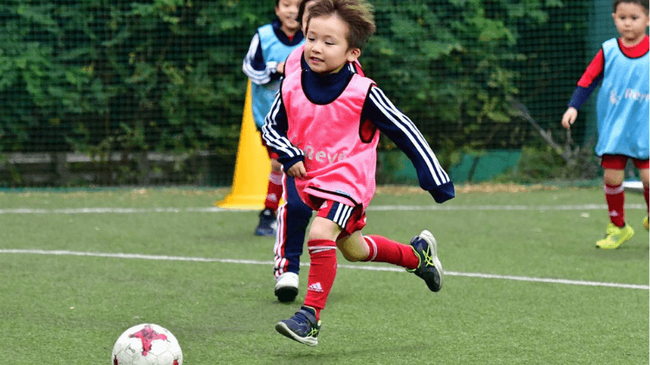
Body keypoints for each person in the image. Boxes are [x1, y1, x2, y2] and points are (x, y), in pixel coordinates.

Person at [262, 0, 455, 346]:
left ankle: (310, 318)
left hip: (349, 184)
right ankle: (417, 256)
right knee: (353, 249)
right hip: (314, 183)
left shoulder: (363, 93)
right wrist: (287, 151)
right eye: (311, 38)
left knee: (319, 234)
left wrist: (434, 176)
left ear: (352, 53)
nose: (316, 48)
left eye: (328, 42)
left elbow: (404, 130)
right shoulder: (291, 85)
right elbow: (271, 128)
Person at [272, 0, 365, 303]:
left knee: (352, 248)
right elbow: (281, 111)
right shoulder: (296, 61)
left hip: (338, 168)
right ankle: (288, 269)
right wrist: (288, 150)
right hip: (300, 157)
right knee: (296, 208)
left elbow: (359, 108)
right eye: (308, 14)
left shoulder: (352, 73)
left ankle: (415, 257)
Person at [561, 0, 649, 249]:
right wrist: (573, 107)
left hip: (646, 130)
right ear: (614, 19)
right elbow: (587, 81)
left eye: (635, 17)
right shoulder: (608, 50)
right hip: (615, 129)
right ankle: (619, 227)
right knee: (612, 178)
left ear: (648, 19)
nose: (628, 23)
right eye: (622, 17)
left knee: (648, 178)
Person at [242, 0, 305, 237]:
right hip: (270, 119)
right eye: (286, 4)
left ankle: (302, 212)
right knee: (280, 162)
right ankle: (269, 213)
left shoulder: (313, 38)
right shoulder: (264, 36)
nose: (292, 10)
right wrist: (274, 68)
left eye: (297, 5)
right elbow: (250, 68)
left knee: (303, 164)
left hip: (303, 117)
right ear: (277, 10)